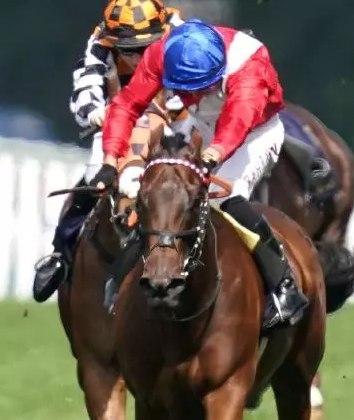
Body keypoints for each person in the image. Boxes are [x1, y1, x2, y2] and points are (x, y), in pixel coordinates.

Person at [95, 18, 309, 330]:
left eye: (199, 88)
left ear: (219, 72)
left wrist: (213, 156)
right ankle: (121, 277)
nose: (190, 95)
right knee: (160, 192)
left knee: (224, 197)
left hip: (253, 133)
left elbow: (238, 121)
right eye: (183, 89)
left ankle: (284, 286)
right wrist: (110, 159)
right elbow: (127, 105)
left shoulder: (249, 71)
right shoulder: (162, 53)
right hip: (201, 126)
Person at [32, 0, 184, 302]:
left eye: (148, 47)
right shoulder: (99, 44)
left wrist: (176, 111)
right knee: (92, 181)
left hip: (178, 115)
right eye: (130, 50)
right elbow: (86, 84)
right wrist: (95, 113)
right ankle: (60, 253)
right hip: (120, 118)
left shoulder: (181, 35)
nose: (141, 57)